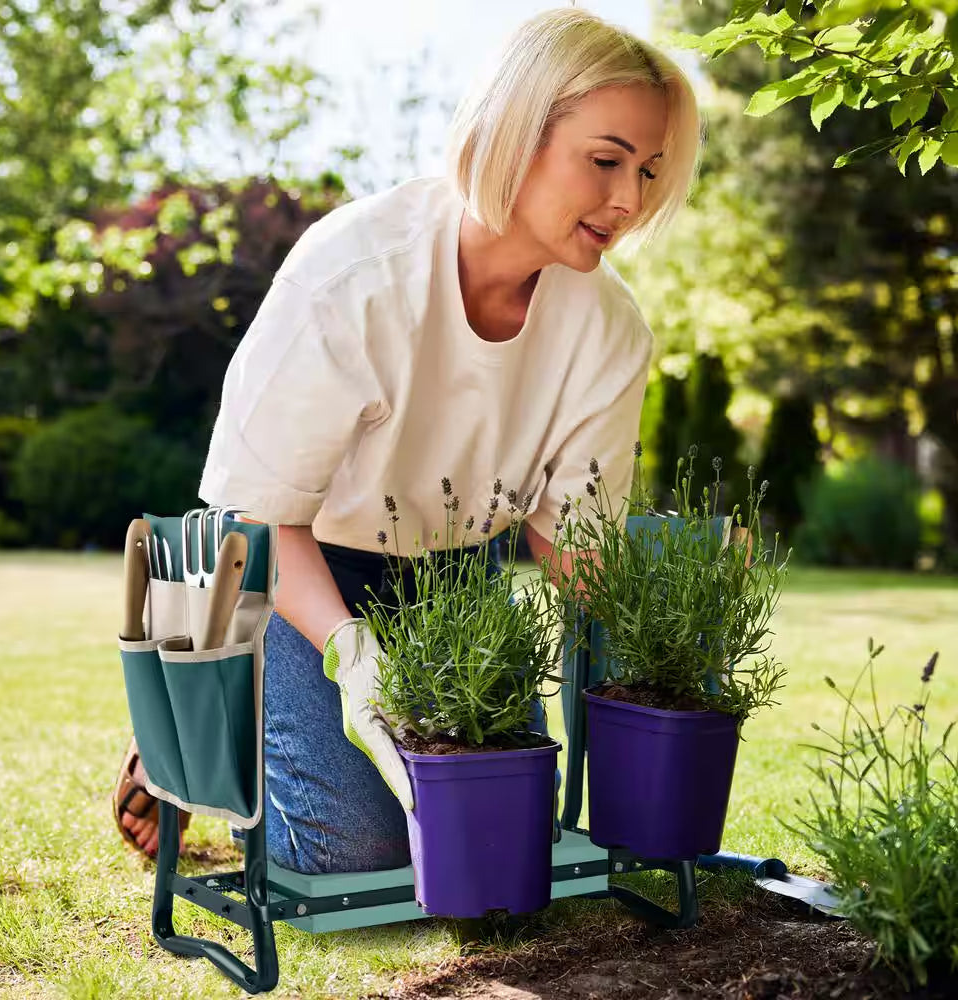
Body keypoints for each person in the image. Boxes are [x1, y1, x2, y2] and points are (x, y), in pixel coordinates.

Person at [115, 5, 701, 870]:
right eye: (606, 160)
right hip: (294, 574)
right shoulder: (357, 274)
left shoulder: (610, 328)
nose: (629, 200)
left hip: (457, 577)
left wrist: (662, 654)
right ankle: (190, 736)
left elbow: (572, 538)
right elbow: (258, 514)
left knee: (501, 833)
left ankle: (222, 734)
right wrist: (353, 655)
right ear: (514, 134)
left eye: (648, 171)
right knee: (355, 853)